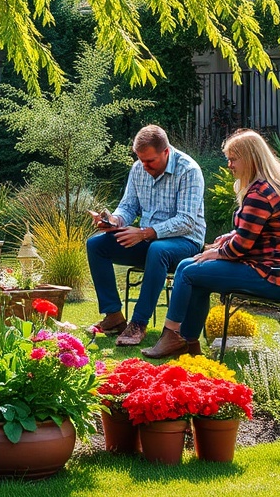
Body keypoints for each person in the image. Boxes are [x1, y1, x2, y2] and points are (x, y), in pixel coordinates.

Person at [142, 128, 280, 358]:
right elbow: (251, 233)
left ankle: (172, 337)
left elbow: (242, 246)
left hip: (272, 277)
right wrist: (226, 240)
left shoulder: (260, 194)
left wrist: (217, 253)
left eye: (233, 159)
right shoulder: (269, 187)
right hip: (279, 273)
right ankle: (187, 344)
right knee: (192, 270)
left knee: (190, 270)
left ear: (249, 159)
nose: (229, 165)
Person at [86, 124, 205, 347]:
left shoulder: (189, 170)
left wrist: (145, 233)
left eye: (150, 161)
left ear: (166, 152)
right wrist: (114, 220)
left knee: (158, 249)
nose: (144, 165)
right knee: (96, 245)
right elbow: (129, 206)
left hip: (185, 242)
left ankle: (139, 323)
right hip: (148, 241)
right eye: (141, 160)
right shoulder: (138, 169)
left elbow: (187, 221)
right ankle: (113, 316)